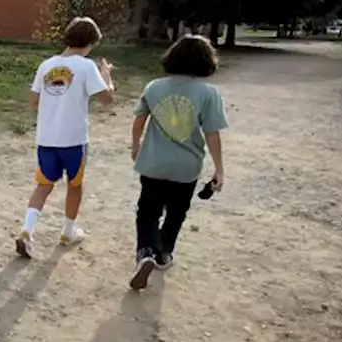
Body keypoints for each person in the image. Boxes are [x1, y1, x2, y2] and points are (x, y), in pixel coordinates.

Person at [128, 34, 228, 290]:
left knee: (148, 211)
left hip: (153, 163)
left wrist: (136, 144)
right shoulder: (208, 93)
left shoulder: (154, 87)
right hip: (186, 168)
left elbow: (139, 119)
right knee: (176, 212)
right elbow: (212, 133)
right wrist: (219, 169)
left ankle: (145, 252)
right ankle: (163, 253)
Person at [15, 16, 115, 258]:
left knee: (43, 184)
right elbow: (107, 99)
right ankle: (68, 230)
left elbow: (33, 100)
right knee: (75, 184)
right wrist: (107, 75)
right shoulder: (87, 66)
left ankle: (27, 230)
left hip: (47, 138)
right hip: (74, 139)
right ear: (90, 43)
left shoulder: (46, 65)